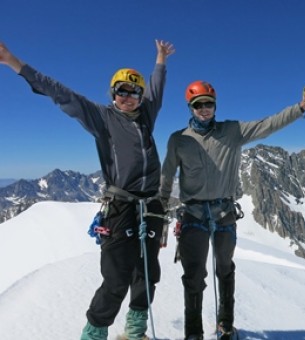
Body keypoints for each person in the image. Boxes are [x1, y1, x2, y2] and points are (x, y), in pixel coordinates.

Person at [0, 39, 175, 340]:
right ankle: (93, 335)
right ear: (113, 94)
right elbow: (60, 93)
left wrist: (160, 60)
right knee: (117, 278)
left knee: (147, 274)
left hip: (152, 208)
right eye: (122, 90)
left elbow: (157, 90)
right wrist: (14, 62)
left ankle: (135, 332)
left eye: (134, 91)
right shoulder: (102, 118)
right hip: (121, 209)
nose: (128, 96)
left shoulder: (146, 116)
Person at [159, 81, 305, 339]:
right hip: (193, 214)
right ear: (190, 108)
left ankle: (225, 326)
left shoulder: (232, 131)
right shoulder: (179, 140)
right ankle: (193, 333)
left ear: (215, 105)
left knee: (225, 269)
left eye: (208, 103)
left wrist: (300, 108)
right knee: (194, 276)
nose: (204, 109)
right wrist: (160, 207)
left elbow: (267, 125)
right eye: (198, 105)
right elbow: (167, 176)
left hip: (223, 213)